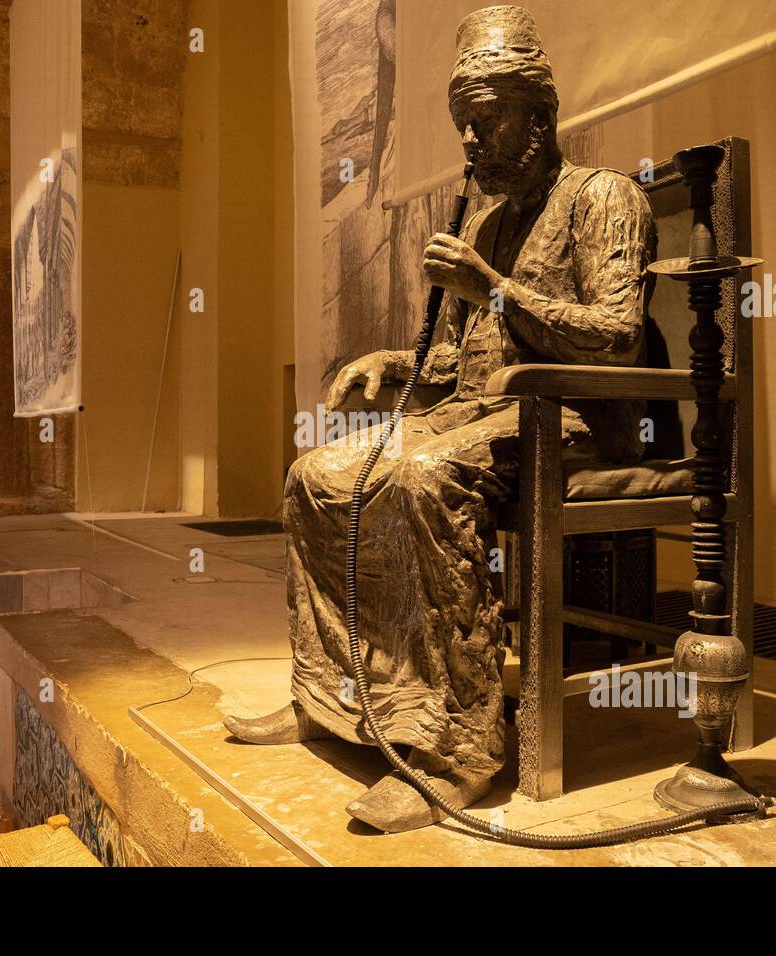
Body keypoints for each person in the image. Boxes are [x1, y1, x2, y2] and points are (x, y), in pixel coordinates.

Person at [225, 4, 657, 833]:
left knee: (423, 479)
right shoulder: (487, 220)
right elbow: (460, 364)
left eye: (484, 123)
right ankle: (335, 697)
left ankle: (458, 746)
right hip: (477, 414)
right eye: (462, 126)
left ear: (539, 115)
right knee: (314, 475)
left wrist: (490, 284)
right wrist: (390, 365)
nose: (470, 143)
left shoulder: (604, 198)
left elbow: (620, 337)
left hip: (573, 420)